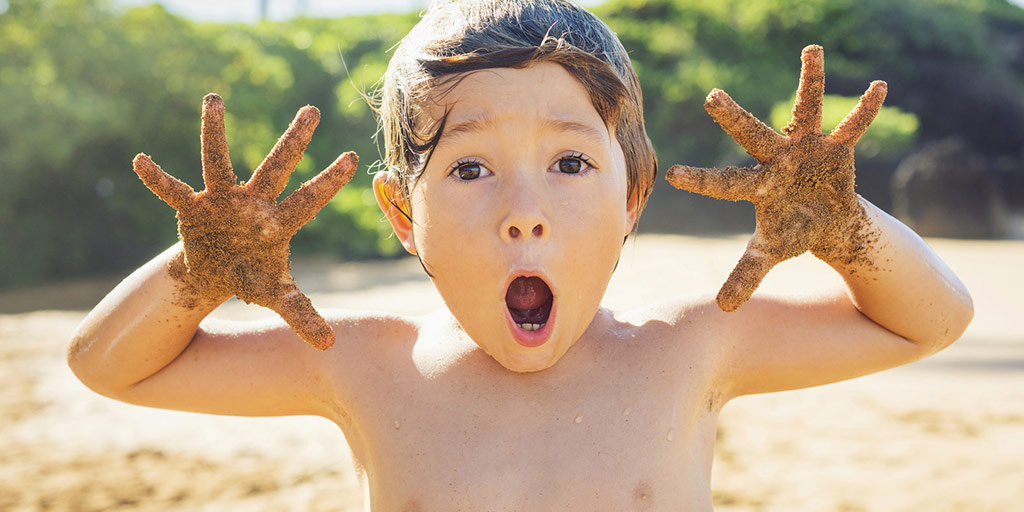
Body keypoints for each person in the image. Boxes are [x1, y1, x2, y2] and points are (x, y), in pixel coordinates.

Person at [68, 0, 973, 509]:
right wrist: (201, 268)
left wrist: (844, 222)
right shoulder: (365, 365)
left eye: (571, 161)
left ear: (631, 197)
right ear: (400, 214)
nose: (524, 214)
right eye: (469, 168)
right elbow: (109, 366)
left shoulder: (692, 347)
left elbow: (934, 320)